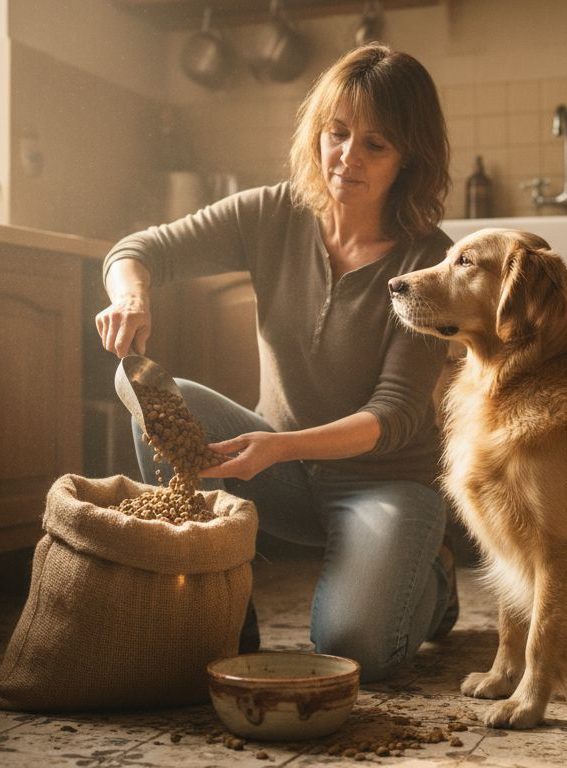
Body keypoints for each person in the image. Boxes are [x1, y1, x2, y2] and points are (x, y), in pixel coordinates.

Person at [95, 43, 457, 683]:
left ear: (410, 159)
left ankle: (431, 582)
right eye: (336, 134)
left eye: (375, 144)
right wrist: (132, 295)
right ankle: (219, 616)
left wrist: (280, 446)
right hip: (282, 473)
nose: (347, 156)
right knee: (148, 390)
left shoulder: (429, 263)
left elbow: (396, 415)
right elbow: (139, 248)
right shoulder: (272, 212)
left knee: (353, 650)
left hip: (385, 485)